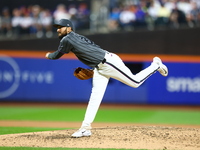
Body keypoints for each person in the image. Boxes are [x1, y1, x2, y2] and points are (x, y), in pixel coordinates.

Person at [45, 19, 168, 138]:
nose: (58, 30)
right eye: (57, 27)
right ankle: (85, 128)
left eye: (60, 27)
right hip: (100, 67)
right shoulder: (76, 37)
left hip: (108, 63)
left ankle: (155, 65)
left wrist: (48, 55)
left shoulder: (68, 38)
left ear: (69, 28)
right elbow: (94, 49)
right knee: (95, 98)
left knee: (135, 82)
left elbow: (56, 55)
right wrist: (95, 67)